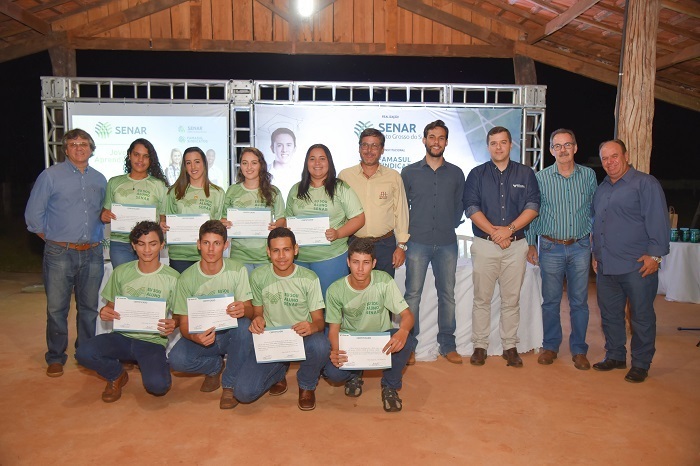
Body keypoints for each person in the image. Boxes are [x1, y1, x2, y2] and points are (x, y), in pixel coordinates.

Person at [25, 128, 107, 378]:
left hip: (93, 253)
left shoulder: (100, 179)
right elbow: (33, 217)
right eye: (73, 144)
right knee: (56, 309)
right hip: (59, 253)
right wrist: (55, 241)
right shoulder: (50, 176)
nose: (79, 148)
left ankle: (86, 353)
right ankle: (55, 356)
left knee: (89, 308)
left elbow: (104, 214)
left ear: (92, 149)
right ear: (66, 149)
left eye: (84, 144)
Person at [591, 139, 669, 383]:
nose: (609, 162)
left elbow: (658, 220)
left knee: (641, 316)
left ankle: (641, 363)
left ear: (626, 156)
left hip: (637, 265)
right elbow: (597, 223)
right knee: (610, 314)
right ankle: (615, 355)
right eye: (605, 158)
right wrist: (596, 254)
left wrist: (655, 255)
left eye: (614, 156)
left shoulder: (645, 183)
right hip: (606, 265)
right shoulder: (602, 187)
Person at [75, 221, 179, 402]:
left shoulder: (173, 278)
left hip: (152, 341)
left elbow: (179, 314)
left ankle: (148, 365)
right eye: (141, 243)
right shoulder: (121, 272)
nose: (147, 250)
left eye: (153, 244)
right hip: (121, 337)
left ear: (162, 245)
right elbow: (111, 305)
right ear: (133, 245)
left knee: (158, 387)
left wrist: (174, 322)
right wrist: (106, 311)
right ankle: (116, 374)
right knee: (83, 352)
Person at [463, 126, 540, 368]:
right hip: (485, 245)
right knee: (481, 299)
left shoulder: (526, 174)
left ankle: (510, 346)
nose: (498, 147)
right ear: (488, 147)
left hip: (516, 246)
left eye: (503, 142)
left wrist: (510, 230)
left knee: (511, 299)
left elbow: (533, 206)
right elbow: (471, 208)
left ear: (511, 145)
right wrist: (496, 233)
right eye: (494, 143)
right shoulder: (476, 174)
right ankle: (480, 346)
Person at [525, 129, 597, 370]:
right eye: (557, 146)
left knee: (579, 302)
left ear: (575, 148)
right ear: (551, 150)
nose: (563, 150)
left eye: (567, 145)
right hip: (549, 246)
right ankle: (551, 346)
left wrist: (594, 245)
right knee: (551, 301)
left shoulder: (588, 176)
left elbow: (593, 212)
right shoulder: (541, 178)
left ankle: (579, 350)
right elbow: (532, 211)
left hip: (580, 246)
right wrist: (530, 243)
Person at [167, 220, 256, 409]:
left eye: (217, 243)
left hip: (231, 333)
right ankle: (214, 367)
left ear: (225, 245)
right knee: (176, 360)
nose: (211, 249)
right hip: (203, 335)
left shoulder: (237, 270)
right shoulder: (186, 278)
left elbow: (249, 308)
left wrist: (243, 309)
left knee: (243, 326)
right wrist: (195, 337)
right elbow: (183, 323)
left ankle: (229, 384)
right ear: (198, 244)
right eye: (206, 243)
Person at [323, 238, 417, 412]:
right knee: (333, 373)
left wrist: (403, 331)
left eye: (366, 263)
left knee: (407, 340)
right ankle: (354, 374)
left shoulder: (384, 281)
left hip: (379, 341)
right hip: (351, 342)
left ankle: (389, 387)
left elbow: (407, 315)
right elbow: (334, 329)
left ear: (374, 263)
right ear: (348, 262)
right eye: (356, 262)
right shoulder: (335, 290)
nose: (360, 268)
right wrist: (336, 352)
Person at [401, 120, 464, 365]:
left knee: (447, 295)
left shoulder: (457, 173)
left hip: (447, 242)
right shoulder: (409, 172)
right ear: (424, 140)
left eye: (441, 138)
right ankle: (409, 346)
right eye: (431, 137)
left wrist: (450, 222)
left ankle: (448, 345)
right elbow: (401, 208)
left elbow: (460, 204)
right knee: (412, 295)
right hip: (417, 242)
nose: (436, 142)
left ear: (446, 142)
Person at [248, 227, 329, 411]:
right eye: (275, 250)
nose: (281, 256)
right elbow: (257, 312)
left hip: (301, 338)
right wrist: (257, 319)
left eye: (286, 249)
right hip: (272, 340)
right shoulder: (258, 276)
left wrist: (311, 326)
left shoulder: (309, 278)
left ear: (296, 249)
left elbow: (319, 321)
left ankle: (306, 385)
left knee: (320, 345)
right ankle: (278, 373)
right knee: (245, 393)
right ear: (268, 252)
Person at [286, 144, 365, 297]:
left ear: (329, 162)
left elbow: (359, 218)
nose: (317, 163)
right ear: (306, 163)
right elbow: (287, 219)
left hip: (331, 258)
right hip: (299, 259)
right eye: (312, 159)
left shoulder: (340, 188)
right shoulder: (296, 189)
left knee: (330, 307)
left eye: (322, 159)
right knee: (303, 307)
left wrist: (338, 233)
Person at [338, 128, 410, 278]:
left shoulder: (393, 177)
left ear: (382, 150)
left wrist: (401, 246)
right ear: (359, 148)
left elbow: (401, 212)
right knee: (357, 293)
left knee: (383, 291)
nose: (369, 150)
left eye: (375, 146)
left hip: (385, 245)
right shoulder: (345, 176)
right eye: (365, 145)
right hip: (354, 243)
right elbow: (338, 212)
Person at [101, 138, 169, 268]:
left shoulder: (159, 185)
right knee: (124, 284)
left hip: (148, 244)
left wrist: (163, 223)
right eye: (136, 155)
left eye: (145, 156)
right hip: (120, 243)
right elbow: (105, 213)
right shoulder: (114, 182)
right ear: (129, 155)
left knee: (147, 283)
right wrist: (104, 216)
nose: (140, 160)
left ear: (151, 159)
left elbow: (162, 216)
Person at [161, 147, 225, 273]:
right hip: (180, 255)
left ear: (204, 163)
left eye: (197, 161)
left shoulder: (218, 193)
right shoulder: (174, 191)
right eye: (188, 163)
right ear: (184, 166)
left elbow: (219, 224)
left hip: (207, 255)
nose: (193, 167)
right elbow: (167, 218)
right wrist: (163, 225)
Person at [222, 147, 286, 273]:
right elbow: (223, 217)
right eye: (245, 163)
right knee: (242, 293)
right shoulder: (232, 190)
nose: (249, 167)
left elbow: (282, 219)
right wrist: (225, 222)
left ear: (261, 165)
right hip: (239, 256)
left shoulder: (273, 191)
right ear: (240, 166)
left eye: (254, 163)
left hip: (266, 255)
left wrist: (276, 226)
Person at [268, 128, 298, 198]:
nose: (284, 150)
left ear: (295, 148)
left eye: (288, 145)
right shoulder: (261, 173)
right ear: (272, 148)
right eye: (279, 145)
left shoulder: (302, 175)